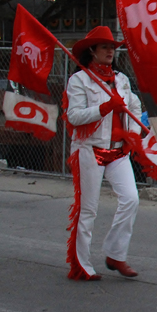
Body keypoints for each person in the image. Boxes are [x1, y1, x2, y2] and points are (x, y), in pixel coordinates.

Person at [65, 26, 143, 281]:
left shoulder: (121, 79)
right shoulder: (79, 80)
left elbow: (133, 105)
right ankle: (81, 264)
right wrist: (105, 106)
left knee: (131, 199)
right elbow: (74, 117)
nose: (110, 51)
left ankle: (115, 254)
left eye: (112, 47)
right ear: (92, 51)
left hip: (118, 151)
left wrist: (132, 135)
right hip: (89, 149)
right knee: (88, 209)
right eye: (105, 47)